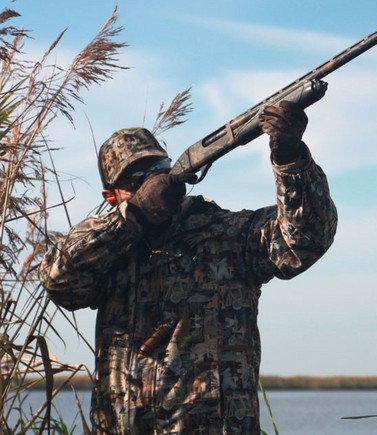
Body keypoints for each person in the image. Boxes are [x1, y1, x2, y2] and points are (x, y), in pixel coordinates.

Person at [38, 101, 337, 434]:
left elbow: (306, 239)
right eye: (137, 178)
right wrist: (133, 215)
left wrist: (290, 159)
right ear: (112, 197)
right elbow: (60, 281)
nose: (153, 181)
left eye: (159, 168)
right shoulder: (109, 252)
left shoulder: (227, 234)